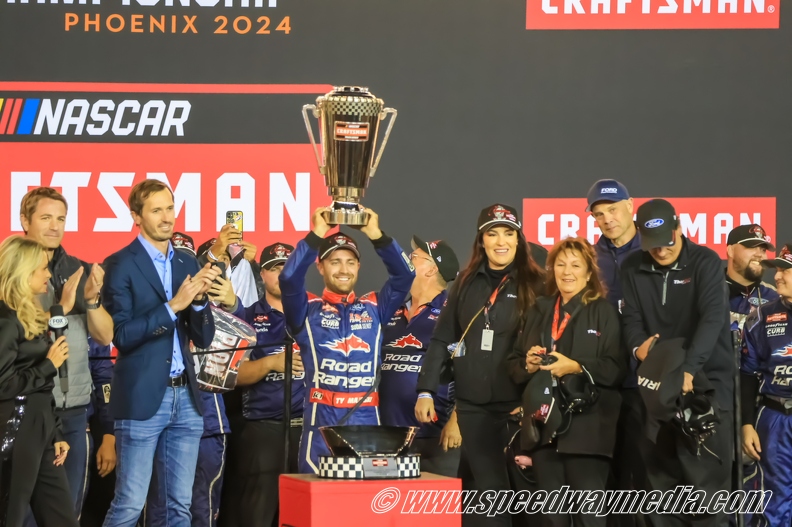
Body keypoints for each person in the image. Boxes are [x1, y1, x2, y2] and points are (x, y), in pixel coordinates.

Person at [416, 203, 545, 527]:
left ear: (518, 239)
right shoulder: (465, 281)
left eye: (508, 233)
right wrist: (426, 390)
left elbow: (548, 344)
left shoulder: (537, 282)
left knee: (529, 502)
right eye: (492, 233)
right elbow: (442, 337)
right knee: (492, 498)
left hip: (518, 407)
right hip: (474, 408)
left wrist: (531, 399)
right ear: (481, 240)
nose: (501, 241)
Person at [101, 180, 220, 527]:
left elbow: (204, 337)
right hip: (141, 397)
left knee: (179, 507)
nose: (167, 217)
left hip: (187, 397)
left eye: (170, 208)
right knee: (129, 504)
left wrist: (199, 301)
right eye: (157, 210)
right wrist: (173, 306)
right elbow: (121, 335)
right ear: (136, 216)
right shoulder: (119, 264)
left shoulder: (186, 261)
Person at [621, 199, 734, 527]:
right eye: (652, 245)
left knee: (707, 493)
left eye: (667, 242)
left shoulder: (705, 261)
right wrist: (638, 350)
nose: (660, 251)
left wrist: (687, 370)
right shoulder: (631, 266)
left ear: (679, 228)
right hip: (657, 387)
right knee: (660, 490)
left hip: (705, 386)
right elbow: (631, 320)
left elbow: (712, 319)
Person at [279, 207, 414, 474]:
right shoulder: (307, 309)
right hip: (321, 425)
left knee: (364, 498)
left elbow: (405, 276)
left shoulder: (375, 307)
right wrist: (318, 232)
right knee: (317, 499)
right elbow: (289, 278)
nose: (344, 270)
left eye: (350, 262)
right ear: (320, 266)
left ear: (359, 267)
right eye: (335, 262)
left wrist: (376, 234)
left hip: (367, 423)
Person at [507, 237, 625, 527]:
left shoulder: (603, 311)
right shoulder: (540, 309)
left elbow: (615, 369)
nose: (567, 272)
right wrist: (528, 363)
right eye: (560, 265)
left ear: (589, 272)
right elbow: (514, 364)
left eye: (575, 265)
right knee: (551, 518)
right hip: (545, 430)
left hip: (589, 432)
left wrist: (576, 366)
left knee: (589, 519)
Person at [18, 187, 115, 524]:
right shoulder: (10, 271)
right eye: (45, 217)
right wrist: (61, 307)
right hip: (24, 410)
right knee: (19, 514)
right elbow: (15, 336)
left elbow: (105, 336)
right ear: (24, 221)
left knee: (65, 515)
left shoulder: (79, 270)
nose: (54, 226)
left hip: (73, 412)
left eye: (60, 218)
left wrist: (91, 301)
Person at [212, 242, 305, 527]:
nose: (283, 274)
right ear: (261, 274)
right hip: (263, 429)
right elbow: (230, 375)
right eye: (275, 268)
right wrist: (270, 363)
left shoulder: (316, 313)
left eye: (288, 267)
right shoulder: (247, 317)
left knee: (306, 514)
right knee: (258, 515)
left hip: (309, 428)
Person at [145, 232, 231, 527]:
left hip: (208, 421)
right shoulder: (149, 310)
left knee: (201, 505)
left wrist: (231, 303)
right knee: (160, 502)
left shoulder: (214, 305)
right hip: (157, 419)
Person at [0, 236, 77, 527]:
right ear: (23, 272)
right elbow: (3, 385)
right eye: (42, 268)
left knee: (62, 519)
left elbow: (40, 386)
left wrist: (54, 431)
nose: (48, 274)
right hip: (15, 428)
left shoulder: (28, 315)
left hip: (40, 426)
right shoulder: (5, 320)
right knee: (10, 515)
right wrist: (48, 365)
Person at [586, 179, 645, 527]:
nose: (607, 219)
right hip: (601, 384)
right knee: (603, 481)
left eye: (612, 209)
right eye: (599, 214)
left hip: (645, 385)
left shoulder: (655, 249)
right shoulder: (589, 260)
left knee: (644, 479)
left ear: (630, 205)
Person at [379, 236, 462, 477]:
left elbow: (471, 372)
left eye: (414, 257)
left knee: (434, 502)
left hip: (436, 436)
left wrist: (456, 421)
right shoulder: (392, 309)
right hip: (389, 435)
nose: (407, 259)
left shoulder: (453, 313)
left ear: (432, 269)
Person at [740, 243, 792, 526]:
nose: (778, 276)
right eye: (778, 269)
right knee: (774, 500)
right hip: (775, 418)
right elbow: (747, 374)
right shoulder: (760, 316)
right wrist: (747, 423)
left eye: (786, 271)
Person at [725, 224, 778, 333]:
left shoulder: (775, 297)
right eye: (751, 247)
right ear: (731, 251)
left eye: (763, 250)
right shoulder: (707, 291)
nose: (759, 255)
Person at [199, 224, 260, 308]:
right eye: (214, 258)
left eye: (224, 258)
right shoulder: (189, 295)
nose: (219, 263)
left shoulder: (241, 285)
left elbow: (265, 291)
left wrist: (253, 266)